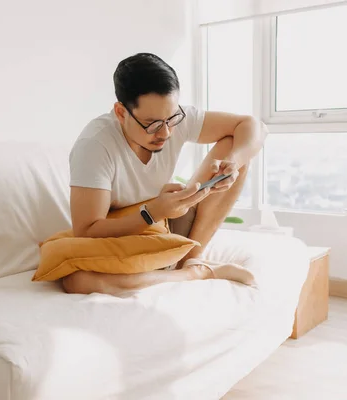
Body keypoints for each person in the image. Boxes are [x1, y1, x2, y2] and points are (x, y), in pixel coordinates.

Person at [64, 53, 268, 296]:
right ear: (121, 112)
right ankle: (191, 273)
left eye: (172, 119)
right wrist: (153, 212)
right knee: (77, 281)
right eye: (152, 124)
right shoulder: (96, 145)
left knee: (235, 145)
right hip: (126, 236)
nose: (166, 132)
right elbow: (86, 231)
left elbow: (253, 126)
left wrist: (233, 163)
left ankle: (191, 259)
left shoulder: (173, 119)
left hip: (167, 224)